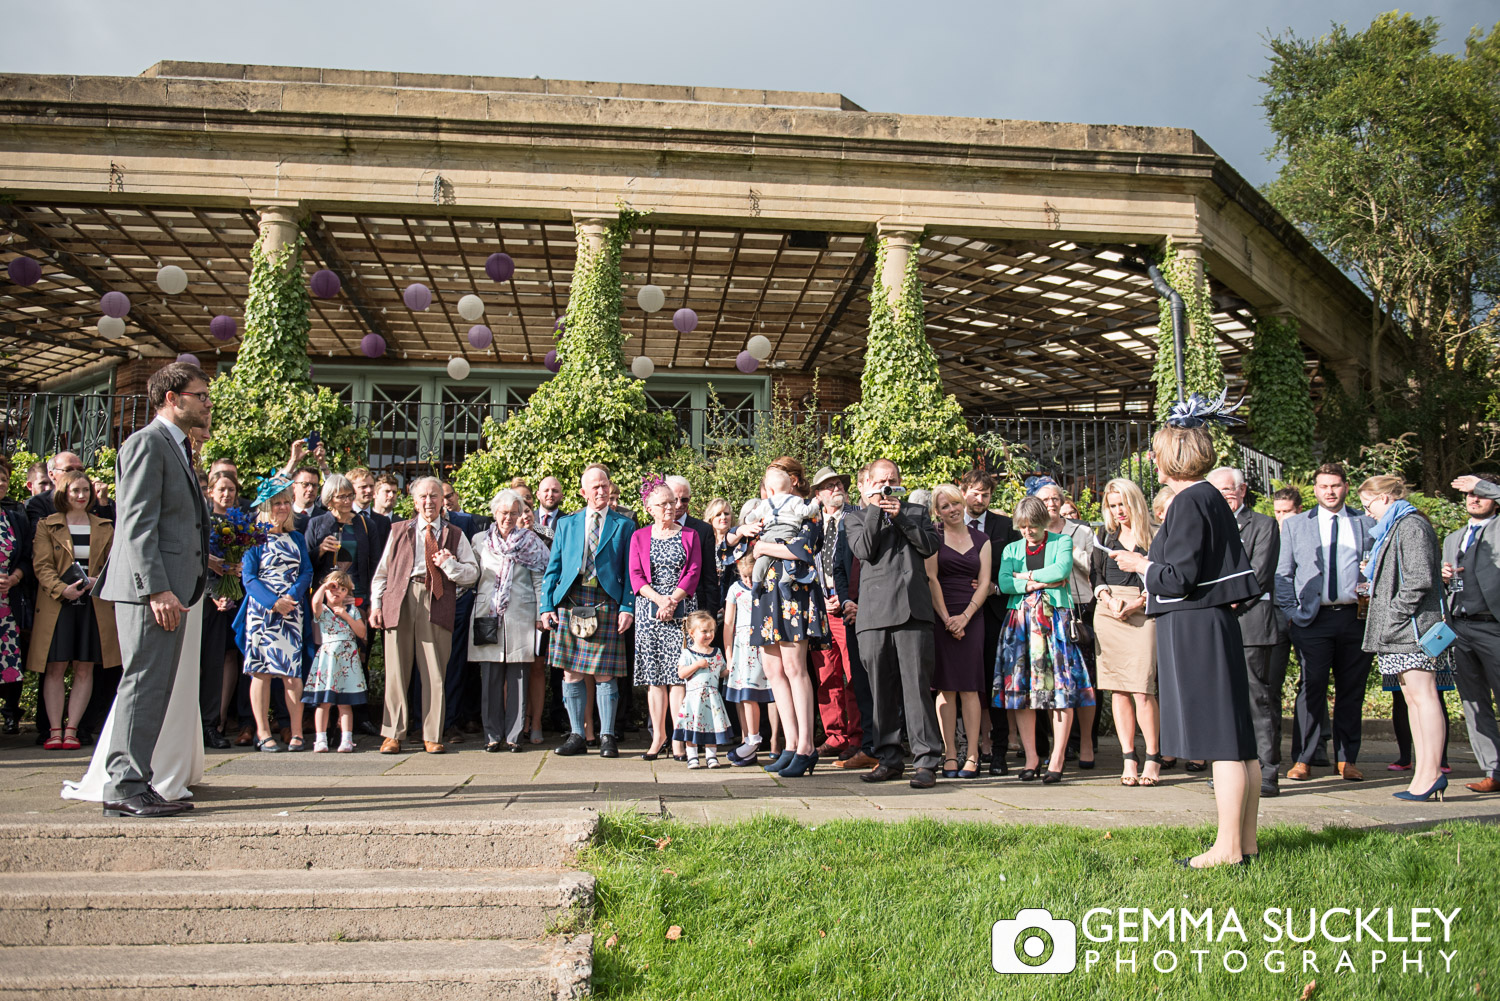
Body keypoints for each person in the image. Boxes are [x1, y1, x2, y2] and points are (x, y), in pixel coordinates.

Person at [1110, 410, 1262, 869]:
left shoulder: (1190, 501)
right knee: (1238, 738)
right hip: (1208, 623)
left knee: (1222, 741)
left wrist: (1139, 566)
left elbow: (1179, 578)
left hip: (1196, 626)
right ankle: (1245, 843)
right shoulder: (1209, 498)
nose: (1151, 459)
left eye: (1155, 452)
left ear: (1168, 457)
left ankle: (1228, 849)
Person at [92, 362, 211, 817]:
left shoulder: (179, 447)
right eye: (199, 395)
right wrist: (157, 589)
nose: (206, 403)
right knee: (142, 684)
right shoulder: (147, 443)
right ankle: (123, 786)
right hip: (151, 593)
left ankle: (135, 781)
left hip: (171, 590)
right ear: (171, 399)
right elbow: (137, 525)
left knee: (154, 686)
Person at [720, 457, 828, 779]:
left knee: (795, 669)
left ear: (793, 480)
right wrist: (740, 532)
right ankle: (791, 745)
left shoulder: (806, 508)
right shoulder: (764, 515)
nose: (767, 485)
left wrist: (765, 546)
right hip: (765, 596)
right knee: (773, 670)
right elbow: (731, 554)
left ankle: (807, 747)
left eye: (774, 477)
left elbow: (805, 549)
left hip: (794, 592)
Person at [1275, 462, 1375, 782]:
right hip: (1312, 619)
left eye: (1335, 485)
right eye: (1323, 486)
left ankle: (1347, 759)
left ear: (1346, 486)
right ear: (1314, 490)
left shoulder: (1365, 522)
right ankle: (1304, 757)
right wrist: (1292, 613)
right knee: (1311, 688)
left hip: (1354, 618)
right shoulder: (1296, 526)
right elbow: (1283, 574)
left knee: (1351, 690)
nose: (1329, 492)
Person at [844, 458, 941, 787]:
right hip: (874, 617)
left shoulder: (917, 513)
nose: (887, 486)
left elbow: (929, 547)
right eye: (880, 481)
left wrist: (900, 516)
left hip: (913, 613)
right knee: (880, 693)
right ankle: (888, 759)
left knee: (917, 689)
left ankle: (926, 761)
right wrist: (875, 508)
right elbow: (865, 550)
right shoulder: (855, 518)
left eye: (892, 480)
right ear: (867, 484)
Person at [1358, 475, 1452, 803]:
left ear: (1385, 498)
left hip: (1411, 629)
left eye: (1368, 503)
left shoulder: (1410, 525)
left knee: (1424, 697)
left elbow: (1420, 579)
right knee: (1414, 699)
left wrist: (1394, 615)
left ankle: (1432, 774)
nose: (1366, 511)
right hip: (1401, 630)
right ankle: (1424, 774)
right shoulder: (1397, 525)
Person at [369, 477, 479, 754]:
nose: (429, 502)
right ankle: (393, 733)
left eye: (434, 496)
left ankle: (432, 733)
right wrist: (376, 605)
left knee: (434, 670)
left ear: (444, 501)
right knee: (396, 670)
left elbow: (472, 574)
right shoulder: (397, 530)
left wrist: (450, 565)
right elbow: (382, 573)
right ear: (414, 502)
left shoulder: (455, 533)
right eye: (423, 497)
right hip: (400, 598)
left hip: (436, 598)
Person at [996, 495, 1094, 784]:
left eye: (1033, 527)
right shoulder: (1011, 548)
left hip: (1054, 625)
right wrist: (1040, 581)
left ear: (1044, 523)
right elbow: (1003, 582)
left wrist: (1024, 579)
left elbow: (1062, 570)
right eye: (1023, 527)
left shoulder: (1061, 542)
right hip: (1020, 625)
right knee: (1022, 693)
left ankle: (1058, 758)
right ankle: (1031, 758)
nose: (1028, 532)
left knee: (1060, 691)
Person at [539, 464, 635, 758]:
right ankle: (577, 735)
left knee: (606, 674)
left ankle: (607, 737)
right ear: (583, 492)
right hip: (571, 600)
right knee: (571, 673)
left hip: (606, 601)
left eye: (604, 485)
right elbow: (553, 569)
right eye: (594, 487)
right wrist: (546, 606)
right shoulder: (567, 524)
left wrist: (627, 606)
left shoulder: (624, 524)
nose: (601, 490)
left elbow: (631, 571)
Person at [1208, 466, 1287, 799]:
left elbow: (1258, 576)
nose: (1225, 496)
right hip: (1215, 625)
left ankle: (1267, 771)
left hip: (1251, 624)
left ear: (1242, 491)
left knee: (1259, 700)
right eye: (1218, 491)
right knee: (1224, 700)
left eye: (1229, 489)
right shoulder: (1208, 526)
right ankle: (1231, 769)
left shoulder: (1264, 526)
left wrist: (1224, 605)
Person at [30, 470, 119, 749]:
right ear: (64, 493)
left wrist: (98, 581)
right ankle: (54, 731)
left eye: (85, 490)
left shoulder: (105, 526)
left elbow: (113, 565)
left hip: (93, 605)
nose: (81, 496)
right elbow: (41, 565)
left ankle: (72, 730)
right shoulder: (47, 525)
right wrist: (61, 589)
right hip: (59, 604)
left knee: (85, 669)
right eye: (75, 491)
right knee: (55, 668)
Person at [234, 474, 314, 752]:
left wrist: (291, 597)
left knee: (292, 674)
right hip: (262, 612)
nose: (282, 507)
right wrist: (272, 602)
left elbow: (307, 571)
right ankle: (263, 732)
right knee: (261, 673)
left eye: (286, 502)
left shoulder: (296, 538)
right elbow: (249, 577)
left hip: (292, 611)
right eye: (276, 503)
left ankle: (296, 733)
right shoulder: (254, 538)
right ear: (266, 507)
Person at [1090, 478, 1160, 787]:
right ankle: (1129, 758)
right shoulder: (1104, 535)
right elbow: (1095, 574)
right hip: (1109, 612)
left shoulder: (1156, 536)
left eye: (1123, 504)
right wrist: (1107, 599)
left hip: (1144, 613)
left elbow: (1163, 576)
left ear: (1135, 503)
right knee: (1117, 688)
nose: (1119, 511)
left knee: (1142, 689)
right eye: (1113, 505)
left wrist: (1135, 605)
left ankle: (1154, 757)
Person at [471, 488, 549, 752]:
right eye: (503, 513)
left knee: (518, 677)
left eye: (514, 513)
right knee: (489, 677)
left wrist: (541, 613)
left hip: (521, 614)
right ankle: (492, 735)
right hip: (488, 613)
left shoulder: (531, 541)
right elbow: (472, 576)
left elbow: (540, 578)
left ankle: (514, 735)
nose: (508, 518)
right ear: (495, 513)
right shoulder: (479, 540)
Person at [631, 482, 702, 760]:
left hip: (681, 610)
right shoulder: (639, 536)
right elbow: (636, 575)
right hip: (650, 613)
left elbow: (694, 571)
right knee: (655, 678)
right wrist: (660, 600)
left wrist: (671, 600)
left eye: (673, 502)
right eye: (663, 504)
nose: (670, 507)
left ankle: (677, 739)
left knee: (678, 678)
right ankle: (658, 736)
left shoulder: (690, 535)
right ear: (649, 509)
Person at [927, 483, 990, 779]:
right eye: (944, 506)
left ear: (962, 503)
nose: (951, 509)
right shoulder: (934, 538)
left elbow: (985, 581)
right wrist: (947, 618)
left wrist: (964, 617)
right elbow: (931, 578)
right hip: (942, 616)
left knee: (970, 687)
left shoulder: (982, 539)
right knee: (946, 687)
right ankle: (950, 753)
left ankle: (973, 754)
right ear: (936, 512)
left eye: (954, 503)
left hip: (972, 616)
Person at [1034, 482, 1098, 768]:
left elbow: (1094, 566)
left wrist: (1065, 551)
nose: (1050, 502)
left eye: (1055, 498)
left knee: (1085, 680)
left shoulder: (1081, 531)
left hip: (1079, 607)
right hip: (1047, 610)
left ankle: (1085, 742)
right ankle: (1060, 745)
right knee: (1053, 681)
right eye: (1045, 499)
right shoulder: (1033, 533)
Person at [959, 469, 1016, 776]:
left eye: (986, 494)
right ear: (963, 490)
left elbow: (1016, 567)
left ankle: (999, 751)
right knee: (965, 684)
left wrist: (993, 586)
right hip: (959, 614)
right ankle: (967, 750)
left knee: (996, 685)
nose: (980, 499)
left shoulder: (1004, 526)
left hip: (994, 613)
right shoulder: (949, 525)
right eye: (975, 493)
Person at [1445, 474, 1500, 794]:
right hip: (1460, 626)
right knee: (1474, 703)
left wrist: (1481, 482)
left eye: (1481, 494)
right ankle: (1493, 770)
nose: (1474, 499)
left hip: (1493, 625)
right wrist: (1445, 576)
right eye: (1469, 495)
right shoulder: (1453, 538)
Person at [808, 466, 862, 760]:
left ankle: (857, 737)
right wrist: (822, 598)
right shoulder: (812, 523)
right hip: (819, 610)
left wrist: (843, 598)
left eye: (839, 483)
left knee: (853, 674)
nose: (836, 488)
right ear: (818, 495)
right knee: (826, 674)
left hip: (849, 607)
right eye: (828, 486)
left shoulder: (857, 517)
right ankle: (835, 735)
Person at [199, 471, 241, 749]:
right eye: (221, 489)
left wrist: (236, 578)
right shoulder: (203, 521)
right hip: (205, 601)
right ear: (211, 491)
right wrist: (214, 594)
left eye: (231, 490)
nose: (227, 494)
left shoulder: (240, 523)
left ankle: (216, 721)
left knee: (225, 660)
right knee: (203, 662)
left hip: (233, 599)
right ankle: (199, 723)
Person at [304, 569, 367, 753]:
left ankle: (347, 738)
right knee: (323, 702)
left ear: (348, 593)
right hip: (328, 660)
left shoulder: (351, 610)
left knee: (345, 703)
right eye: (333, 588)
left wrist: (345, 615)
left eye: (342, 589)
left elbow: (361, 632)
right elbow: (314, 602)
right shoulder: (322, 610)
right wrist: (324, 586)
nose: (336, 591)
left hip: (347, 661)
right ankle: (320, 739)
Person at [723, 553, 773, 765]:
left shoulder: (767, 586)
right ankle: (750, 740)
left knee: (770, 693)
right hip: (742, 646)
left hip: (764, 643)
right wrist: (729, 655)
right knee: (745, 694)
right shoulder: (735, 589)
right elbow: (728, 624)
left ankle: (774, 741)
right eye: (744, 576)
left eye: (751, 576)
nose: (748, 581)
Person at [673, 610, 733, 768]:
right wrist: (697, 665)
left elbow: (722, 672)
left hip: (712, 698)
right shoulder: (688, 653)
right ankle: (692, 755)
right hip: (694, 698)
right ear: (692, 633)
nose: (709, 635)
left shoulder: (717, 653)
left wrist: (732, 670)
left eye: (711, 631)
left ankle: (711, 755)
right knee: (691, 727)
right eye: (704, 631)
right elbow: (681, 673)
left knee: (712, 726)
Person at [0, 455, 32, 735]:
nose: (1, 482)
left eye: (5, 478)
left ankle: (11, 713)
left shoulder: (14, 514)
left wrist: (14, 578)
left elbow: (25, 557)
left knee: (9, 658)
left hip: (6, 601)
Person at [24, 451, 85, 527]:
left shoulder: (93, 500)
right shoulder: (37, 503)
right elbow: (38, 535)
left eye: (80, 470)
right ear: (51, 474)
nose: (76, 474)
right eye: (68, 470)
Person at [289, 465, 325, 535]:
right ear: (293, 486)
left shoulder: (325, 518)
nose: (310, 489)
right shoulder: (284, 516)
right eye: (305, 484)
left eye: (314, 485)